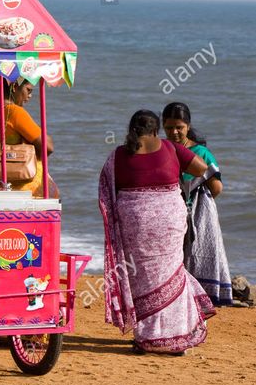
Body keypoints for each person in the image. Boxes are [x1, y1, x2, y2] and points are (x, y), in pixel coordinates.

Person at [98, 109, 216, 355]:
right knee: (172, 274)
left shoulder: (118, 155)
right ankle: (175, 338)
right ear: (156, 130)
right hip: (169, 222)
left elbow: (108, 188)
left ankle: (145, 337)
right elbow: (201, 168)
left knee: (141, 278)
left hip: (135, 224)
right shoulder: (170, 148)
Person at [162, 102, 232, 306]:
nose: (174, 132)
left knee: (195, 257)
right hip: (171, 216)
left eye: (179, 127)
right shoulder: (164, 149)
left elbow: (216, 187)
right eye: (168, 128)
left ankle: (196, 307)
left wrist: (196, 204)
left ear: (188, 126)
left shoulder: (200, 152)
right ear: (162, 127)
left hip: (198, 215)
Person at [0, 79, 59, 198]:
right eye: (28, 90)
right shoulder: (15, 112)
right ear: (15, 86)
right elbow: (48, 147)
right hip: (22, 193)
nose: (30, 95)